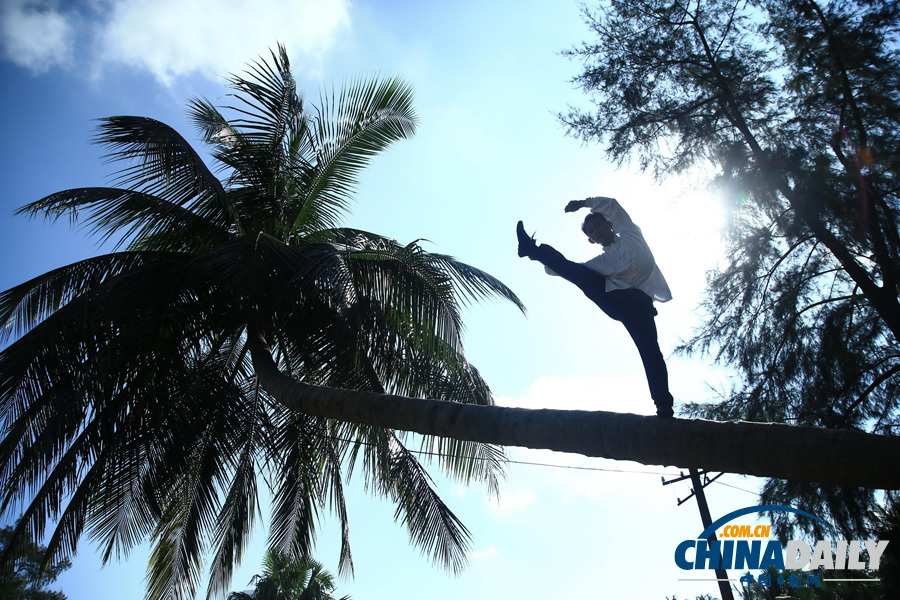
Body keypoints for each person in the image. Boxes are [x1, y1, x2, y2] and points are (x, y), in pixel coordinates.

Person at [516, 196, 675, 417]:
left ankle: (663, 405)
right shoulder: (601, 262)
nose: (595, 231)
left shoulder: (631, 234)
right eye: (591, 231)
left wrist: (582, 203)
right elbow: (566, 269)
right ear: (591, 240)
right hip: (616, 302)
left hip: (640, 306)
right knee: (579, 273)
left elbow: (613, 206)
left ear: (610, 224)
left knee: (650, 351)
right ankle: (530, 249)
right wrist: (548, 260)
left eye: (598, 226)